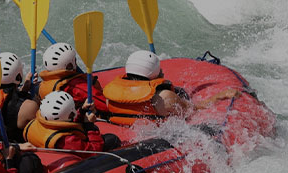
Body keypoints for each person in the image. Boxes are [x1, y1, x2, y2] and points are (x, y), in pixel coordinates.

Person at [103, 50, 241, 125]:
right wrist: (219, 96)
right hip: (157, 132)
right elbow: (191, 110)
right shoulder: (164, 97)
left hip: (125, 127)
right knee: (181, 93)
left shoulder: (110, 94)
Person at [21, 91, 120, 157]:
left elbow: (65, 123)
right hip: (71, 165)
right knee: (111, 140)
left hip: (47, 153)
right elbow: (95, 151)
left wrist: (81, 111)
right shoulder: (66, 141)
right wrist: (90, 126)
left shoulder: (39, 122)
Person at [34, 43, 108, 114]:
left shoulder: (46, 82)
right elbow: (104, 105)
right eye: (75, 60)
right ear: (69, 66)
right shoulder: (77, 87)